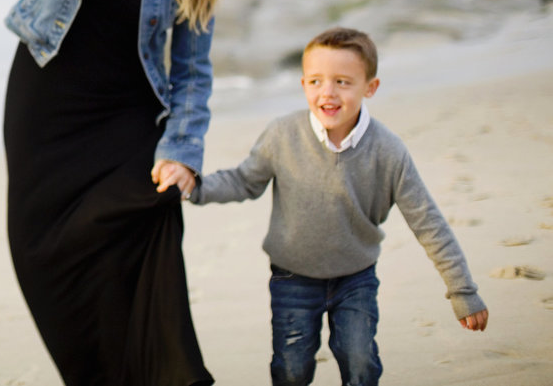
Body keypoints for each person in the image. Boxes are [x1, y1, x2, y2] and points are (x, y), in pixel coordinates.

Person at [0, 0, 225, 386]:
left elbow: (193, 74)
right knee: (44, 260)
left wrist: (182, 153)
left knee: (151, 223)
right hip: (44, 115)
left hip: (127, 127)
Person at [189, 26, 489, 386]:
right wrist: (195, 187)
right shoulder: (282, 135)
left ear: (370, 87)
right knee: (291, 367)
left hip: (356, 277)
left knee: (360, 360)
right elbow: (244, 181)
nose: (327, 92)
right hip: (292, 278)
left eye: (343, 82)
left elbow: (429, 224)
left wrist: (463, 291)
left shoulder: (388, 151)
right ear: (303, 85)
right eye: (316, 81)